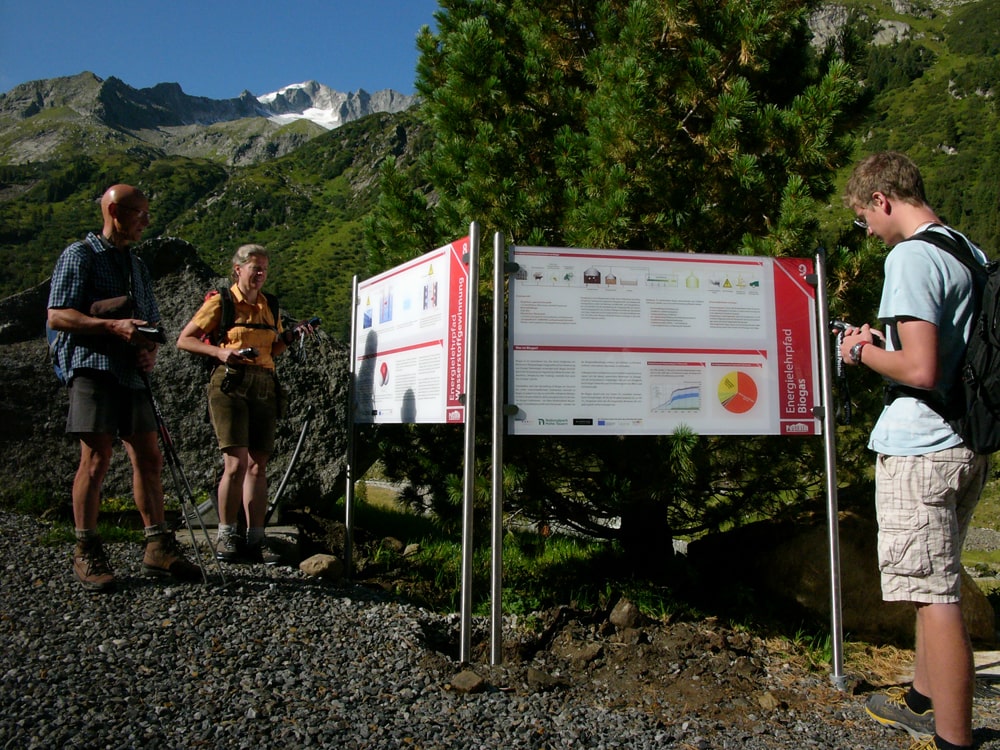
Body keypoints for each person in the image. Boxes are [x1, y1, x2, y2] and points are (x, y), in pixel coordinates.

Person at [839, 151, 990, 750]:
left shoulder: (909, 256)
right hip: (966, 438)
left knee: (934, 596)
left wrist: (858, 351)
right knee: (939, 578)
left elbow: (920, 368)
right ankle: (922, 700)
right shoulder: (964, 249)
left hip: (924, 445)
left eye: (862, 218)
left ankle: (954, 739)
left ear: (882, 200)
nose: (868, 231)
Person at [47, 184, 202, 591]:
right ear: (115, 211)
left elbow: (152, 323)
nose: (147, 222)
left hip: (132, 375)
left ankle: (158, 547)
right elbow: (57, 316)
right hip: (92, 369)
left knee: (149, 458)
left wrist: (149, 348)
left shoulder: (137, 266)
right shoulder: (78, 256)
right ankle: (86, 549)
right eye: (140, 213)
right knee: (96, 457)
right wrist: (112, 326)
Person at [176, 244, 309, 564]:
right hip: (230, 381)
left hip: (265, 384)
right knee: (235, 463)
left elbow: (273, 350)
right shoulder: (221, 302)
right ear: (237, 269)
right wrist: (221, 353)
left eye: (264, 268)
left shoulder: (269, 305)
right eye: (255, 268)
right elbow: (185, 339)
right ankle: (227, 534)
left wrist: (290, 337)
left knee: (257, 465)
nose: (261, 274)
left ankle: (257, 537)